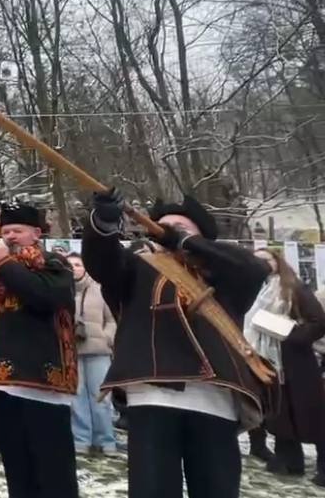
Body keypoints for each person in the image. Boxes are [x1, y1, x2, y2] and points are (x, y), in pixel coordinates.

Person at [83, 191, 270, 498]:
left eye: (180, 226)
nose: (166, 230)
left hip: (217, 398)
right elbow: (103, 263)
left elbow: (255, 270)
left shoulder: (225, 270)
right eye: (162, 225)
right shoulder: (137, 265)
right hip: (152, 394)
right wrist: (102, 224)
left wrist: (183, 242)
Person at [0, 201, 78, 498]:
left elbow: (45, 296)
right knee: (17, 467)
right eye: (6, 231)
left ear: (37, 233)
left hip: (42, 380)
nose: (10, 237)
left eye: (17, 230)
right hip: (5, 380)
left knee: (53, 470)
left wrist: (4, 265)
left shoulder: (55, 263)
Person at [245, 247, 325, 483]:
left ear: (277, 261)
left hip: (296, 360)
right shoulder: (253, 291)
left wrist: (290, 333)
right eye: (255, 261)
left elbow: (318, 321)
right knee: (280, 414)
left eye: (265, 260)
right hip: (266, 361)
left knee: (313, 415)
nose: (260, 265)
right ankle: (289, 461)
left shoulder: (293, 288)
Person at [68, 252, 118, 456]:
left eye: (78, 264)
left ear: (85, 268)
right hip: (73, 351)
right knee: (77, 398)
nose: (74, 268)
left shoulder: (99, 290)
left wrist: (107, 338)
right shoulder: (62, 289)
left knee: (101, 397)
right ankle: (81, 440)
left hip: (99, 351)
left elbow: (112, 319)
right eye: (70, 265)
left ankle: (106, 441)